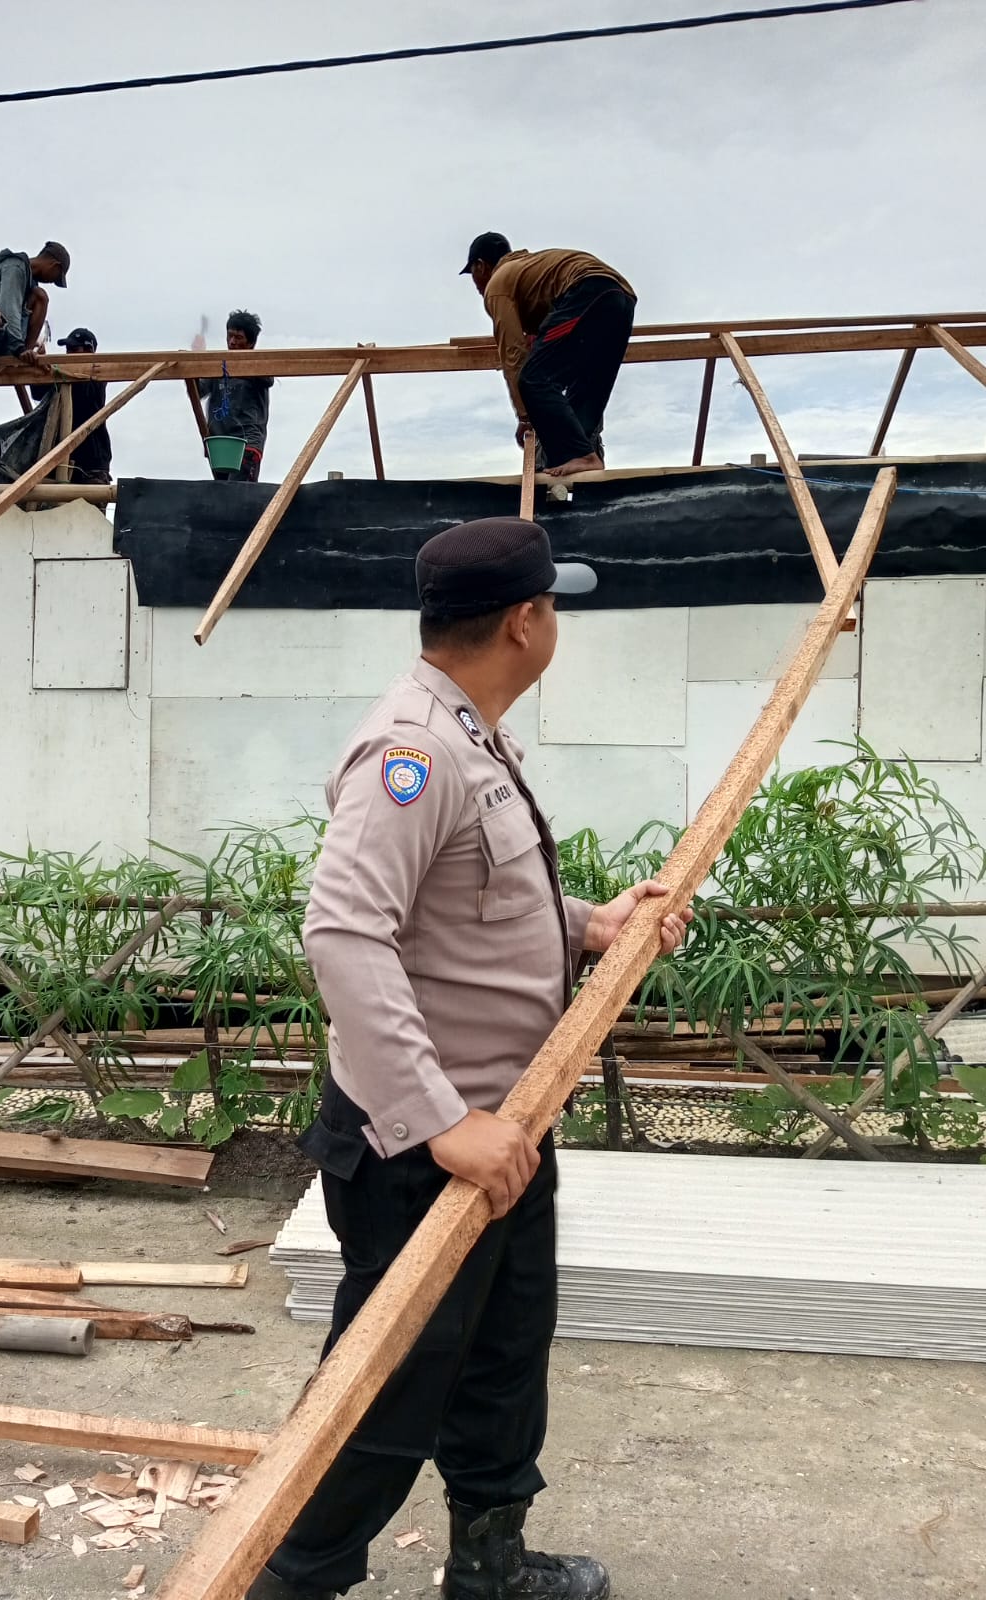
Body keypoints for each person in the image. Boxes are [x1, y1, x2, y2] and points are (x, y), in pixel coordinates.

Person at [248, 517, 691, 1600]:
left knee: (500, 1356)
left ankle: (490, 1564)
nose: (557, 624)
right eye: (554, 607)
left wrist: (589, 923)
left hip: (507, 1126)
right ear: (524, 621)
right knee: (385, 1392)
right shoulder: (411, 753)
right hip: (426, 1146)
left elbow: (467, 906)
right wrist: (443, 1123)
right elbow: (345, 933)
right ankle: (283, 1583)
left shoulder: (469, 733)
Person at [461, 233, 637, 478]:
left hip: (588, 291)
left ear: (481, 266)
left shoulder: (497, 284)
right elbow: (555, 339)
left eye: (473, 276)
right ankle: (583, 459)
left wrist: (525, 417)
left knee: (533, 379)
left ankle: (582, 456)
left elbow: (513, 354)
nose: (477, 287)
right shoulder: (530, 268)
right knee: (586, 385)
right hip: (622, 299)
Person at [0, 242, 71, 375]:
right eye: (55, 278)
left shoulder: (30, 282)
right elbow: (9, 307)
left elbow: (21, 314)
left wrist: (28, 351)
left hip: (10, 341)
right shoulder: (15, 267)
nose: (52, 282)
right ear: (54, 266)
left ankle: (25, 356)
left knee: (41, 296)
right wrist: (18, 348)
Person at [195, 310, 273, 481]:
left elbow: (268, 379)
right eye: (230, 336)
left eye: (238, 338)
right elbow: (197, 391)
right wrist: (196, 362)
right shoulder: (218, 366)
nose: (232, 342)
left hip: (247, 442)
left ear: (251, 343)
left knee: (237, 493)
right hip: (220, 444)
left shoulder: (258, 366)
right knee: (225, 496)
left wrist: (234, 364)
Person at [29, 327, 112, 484]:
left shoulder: (96, 374)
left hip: (91, 463)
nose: (69, 354)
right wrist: (38, 365)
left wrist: (50, 367)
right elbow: (37, 393)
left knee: (89, 506)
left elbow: (83, 393)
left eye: (74, 349)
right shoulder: (65, 376)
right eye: (68, 350)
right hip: (62, 459)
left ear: (89, 350)